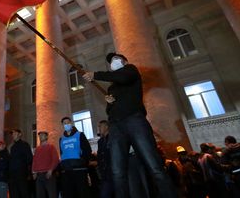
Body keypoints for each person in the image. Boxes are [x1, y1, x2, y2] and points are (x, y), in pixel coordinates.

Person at [83, 52, 177, 198]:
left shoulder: (130, 71)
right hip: (116, 125)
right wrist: (109, 104)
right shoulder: (112, 88)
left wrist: (96, 74)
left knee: (154, 166)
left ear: (124, 61)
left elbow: (123, 77)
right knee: (117, 171)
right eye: (111, 61)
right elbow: (111, 110)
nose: (113, 62)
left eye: (116, 59)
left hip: (134, 120)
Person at [59, 116, 92, 198]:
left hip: (79, 169)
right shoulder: (61, 139)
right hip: (66, 171)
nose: (66, 124)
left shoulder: (80, 135)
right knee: (68, 193)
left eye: (68, 123)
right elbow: (62, 153)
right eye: (64, 123)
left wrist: (83, 162)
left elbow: (87, 150)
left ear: (71, 124)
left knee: (82, 193)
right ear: (62, 125)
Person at [32, 131, 59, 198]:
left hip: (48, 174)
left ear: (47, 137)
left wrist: (51, 170)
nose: (40, 136)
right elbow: (34, 161)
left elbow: (55, 159)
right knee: (39, 195)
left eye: (42, 135)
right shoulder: (37, 149)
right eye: (39, 135)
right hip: (39, 176)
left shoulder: (51, 147)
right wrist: (34, 172)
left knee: (52, 194)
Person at [9, 129, 33, 198]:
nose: (13, 134)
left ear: (20, 134)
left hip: (21, 174)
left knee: (23, 193)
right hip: (13, 176)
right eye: (12, 133)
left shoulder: (25, 145)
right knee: (14, 194)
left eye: (15, 133)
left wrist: (28, 173)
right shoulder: (12, 147)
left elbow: (29, 159)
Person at [97, 120, 113, 198]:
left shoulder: (114, 138)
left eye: (100, 126)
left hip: (114, 171)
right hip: (105, 174)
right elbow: (99, 157)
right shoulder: (100, 141)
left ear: (106, 127)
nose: (99, 128)